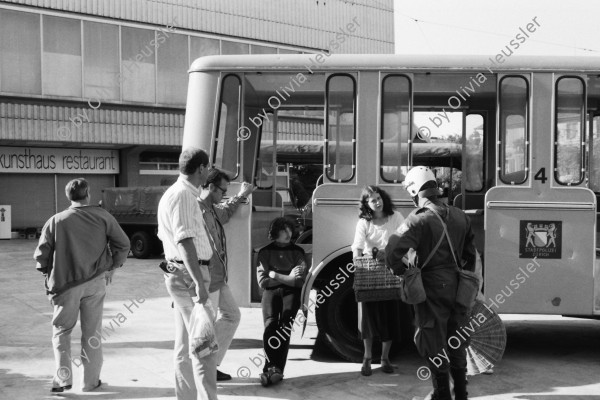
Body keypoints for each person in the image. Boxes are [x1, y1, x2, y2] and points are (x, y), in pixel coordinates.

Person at [385, 166, 477, 400]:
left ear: (415, 190)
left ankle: (442, 395)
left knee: (433, 342)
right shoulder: (460, 215)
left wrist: (403, 271)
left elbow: (392, 252)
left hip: (431, 288)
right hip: (458, 286)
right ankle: (462, 395)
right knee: (456, 341)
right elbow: (470, 254)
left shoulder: (418, 220)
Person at [34, 178, 130, 393]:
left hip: (65, 285)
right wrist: (113, 266)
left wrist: (47, 274)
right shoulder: (104, 216)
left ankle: (63, 380)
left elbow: (41, 256)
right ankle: (90, 382)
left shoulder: (56, 221)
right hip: (95, 283)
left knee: (61, 331)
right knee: (92, 333)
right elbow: (123, 244)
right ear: (88, 195)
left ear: (69, 197)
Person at [157, 148, 216, 400]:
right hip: (191, 276)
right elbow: (184, 241)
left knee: (185, 343)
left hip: (181, 273)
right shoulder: (183, 195)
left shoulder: (176, 193)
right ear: (201, 168)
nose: (209, 172)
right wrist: (198, 284)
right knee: (204, 345)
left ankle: (187, 397)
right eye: (208, 168)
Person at [198, 168, 254, 381]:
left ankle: (210, 365)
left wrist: (242, 195)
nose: (224, 195)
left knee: (231, 315)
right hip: (207, 278)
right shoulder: (196, 211)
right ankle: (204, 369)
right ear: (211, 187)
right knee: (206, 326)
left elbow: (226, 211)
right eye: (223, 190)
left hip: (218, 277)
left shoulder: (211, 209)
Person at [351, 185, 405, 376]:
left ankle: (384, 359)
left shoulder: (396, 217)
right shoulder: (364, 222)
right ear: (366, 204)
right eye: (372, 200)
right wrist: (358, 264)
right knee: (368, 320)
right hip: (370, 274)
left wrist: (390, 253)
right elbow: (357, 247)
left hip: (391, 272)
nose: (377, 201)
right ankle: (366, 358)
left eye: (379, 197)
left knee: (389, 319)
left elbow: (404, 239)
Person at [256, 217, 307, 387]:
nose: (288, 234)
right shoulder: (264, 252)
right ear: (275, 232)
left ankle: (276, 369)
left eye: (289, 230)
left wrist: (275, 275)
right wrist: (288, 277)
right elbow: (263, 282)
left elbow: (299, 282)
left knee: (285, 328)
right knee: (270, 326)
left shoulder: (298, 251)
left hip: (291, 293)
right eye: (284, 230)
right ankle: (270, 368)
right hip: (271, 293)